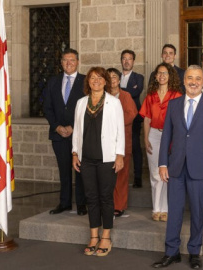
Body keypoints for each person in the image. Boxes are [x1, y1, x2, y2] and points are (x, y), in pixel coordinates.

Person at [152, 65, 203, 269]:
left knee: (198, 211)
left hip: (200, 168)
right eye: (190, 78)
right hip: (175, 166)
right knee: (174, 210)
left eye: (198, 78)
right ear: (184, 81)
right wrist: (163, 163)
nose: (193, 82)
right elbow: (166, 136)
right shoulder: (173, 105)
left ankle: (194, 252)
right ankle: (171, 252)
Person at [72, 67, 125, 256]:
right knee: (91, 198)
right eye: (92, 78)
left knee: (105, 198)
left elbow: (120, 130)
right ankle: (94, 236)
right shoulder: (80, 103)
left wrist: (120, 155)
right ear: (88, 81)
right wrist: (74, 153)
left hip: (107, 158)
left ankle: (106, 237)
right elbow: (77, 131)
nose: (96, 80)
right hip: (86, 158)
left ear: (105, 81)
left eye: (99, 77)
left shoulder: (114, 102)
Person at [43, 48, 87, 216]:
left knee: (81, 170)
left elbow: (89, 109)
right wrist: (57, 127)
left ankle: (82, 204)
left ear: (77, 62)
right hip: (58, 134)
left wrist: (73, 128)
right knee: (64, 170)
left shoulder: (85, 81)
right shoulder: (53, 82)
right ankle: (65, 203)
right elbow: (47, 108)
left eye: (72, 60)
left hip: (79, 135)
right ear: (61, 63)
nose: (69, 63)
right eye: (65, 60)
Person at [139, 63, 182, 222]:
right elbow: (147, 119)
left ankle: (166, 209)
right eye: (159, 73)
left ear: (170, 76)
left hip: (172, 137)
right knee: (155, 173)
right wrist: (146, 138)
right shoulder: (150, 96)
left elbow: (179, 120)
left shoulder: (177, 95)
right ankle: (156, 208)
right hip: (154, 135)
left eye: (165, 73)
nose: (162, 76)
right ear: (156, 77)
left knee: (168, 173)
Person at [107, 68, 138, 217]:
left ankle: (119, 205)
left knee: (121, 175)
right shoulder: (102, 96)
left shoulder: (125, 96)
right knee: (107, 175)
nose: (112, 80)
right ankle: (107, 204)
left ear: (119, 80)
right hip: (106, 143)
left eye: (114, 77)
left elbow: (131, 114)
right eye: (109, 77)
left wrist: (113, 124)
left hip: (123, 142)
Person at [120, 49, 145, 189]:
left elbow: (136, 92)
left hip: (133, 118)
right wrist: (128, 89)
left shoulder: (138, 77)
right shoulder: (115, 75)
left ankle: (137, 178)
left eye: (129, 58)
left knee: (135, 147)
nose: (127, 61)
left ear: (133, 62)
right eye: (124, 58)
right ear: (121, 60)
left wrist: (120, 89)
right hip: (116, 117)